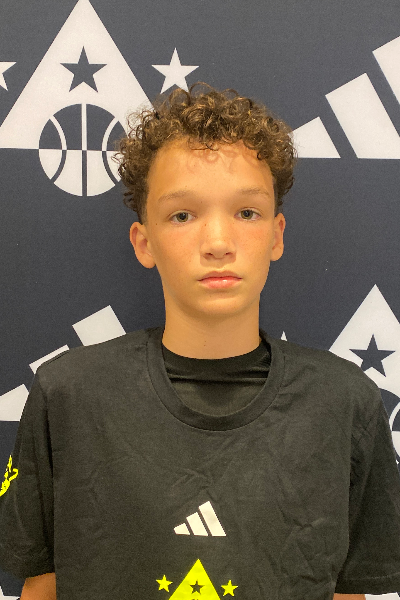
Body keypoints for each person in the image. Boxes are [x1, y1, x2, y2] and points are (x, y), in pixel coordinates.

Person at [1, 81, 400, 600]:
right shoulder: (68, 396)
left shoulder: (345, 403)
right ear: (144, 241)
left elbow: (349, 592)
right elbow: (42, 587)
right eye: (183, 215)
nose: (217, 243)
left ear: (277, 235)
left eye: (246, 212)